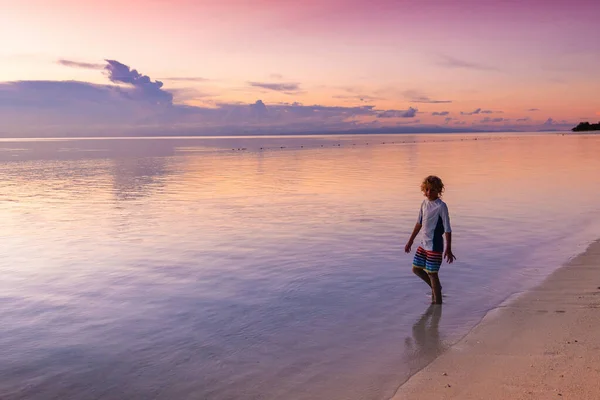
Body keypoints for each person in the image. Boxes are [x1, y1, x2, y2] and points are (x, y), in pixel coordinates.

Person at [405, 175, 456, 304]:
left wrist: (448, 248)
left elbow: (447, 228)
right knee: (416, 269)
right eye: (426, 189)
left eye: (432, 190)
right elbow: (419, 223)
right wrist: (410, 241)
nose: (428, 193)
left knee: (433, 273)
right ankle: (436, 288)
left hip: (435, 246)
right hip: (423, 244)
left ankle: (437, 305)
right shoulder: (424, 203)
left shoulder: (441, 206)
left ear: (438, 190)